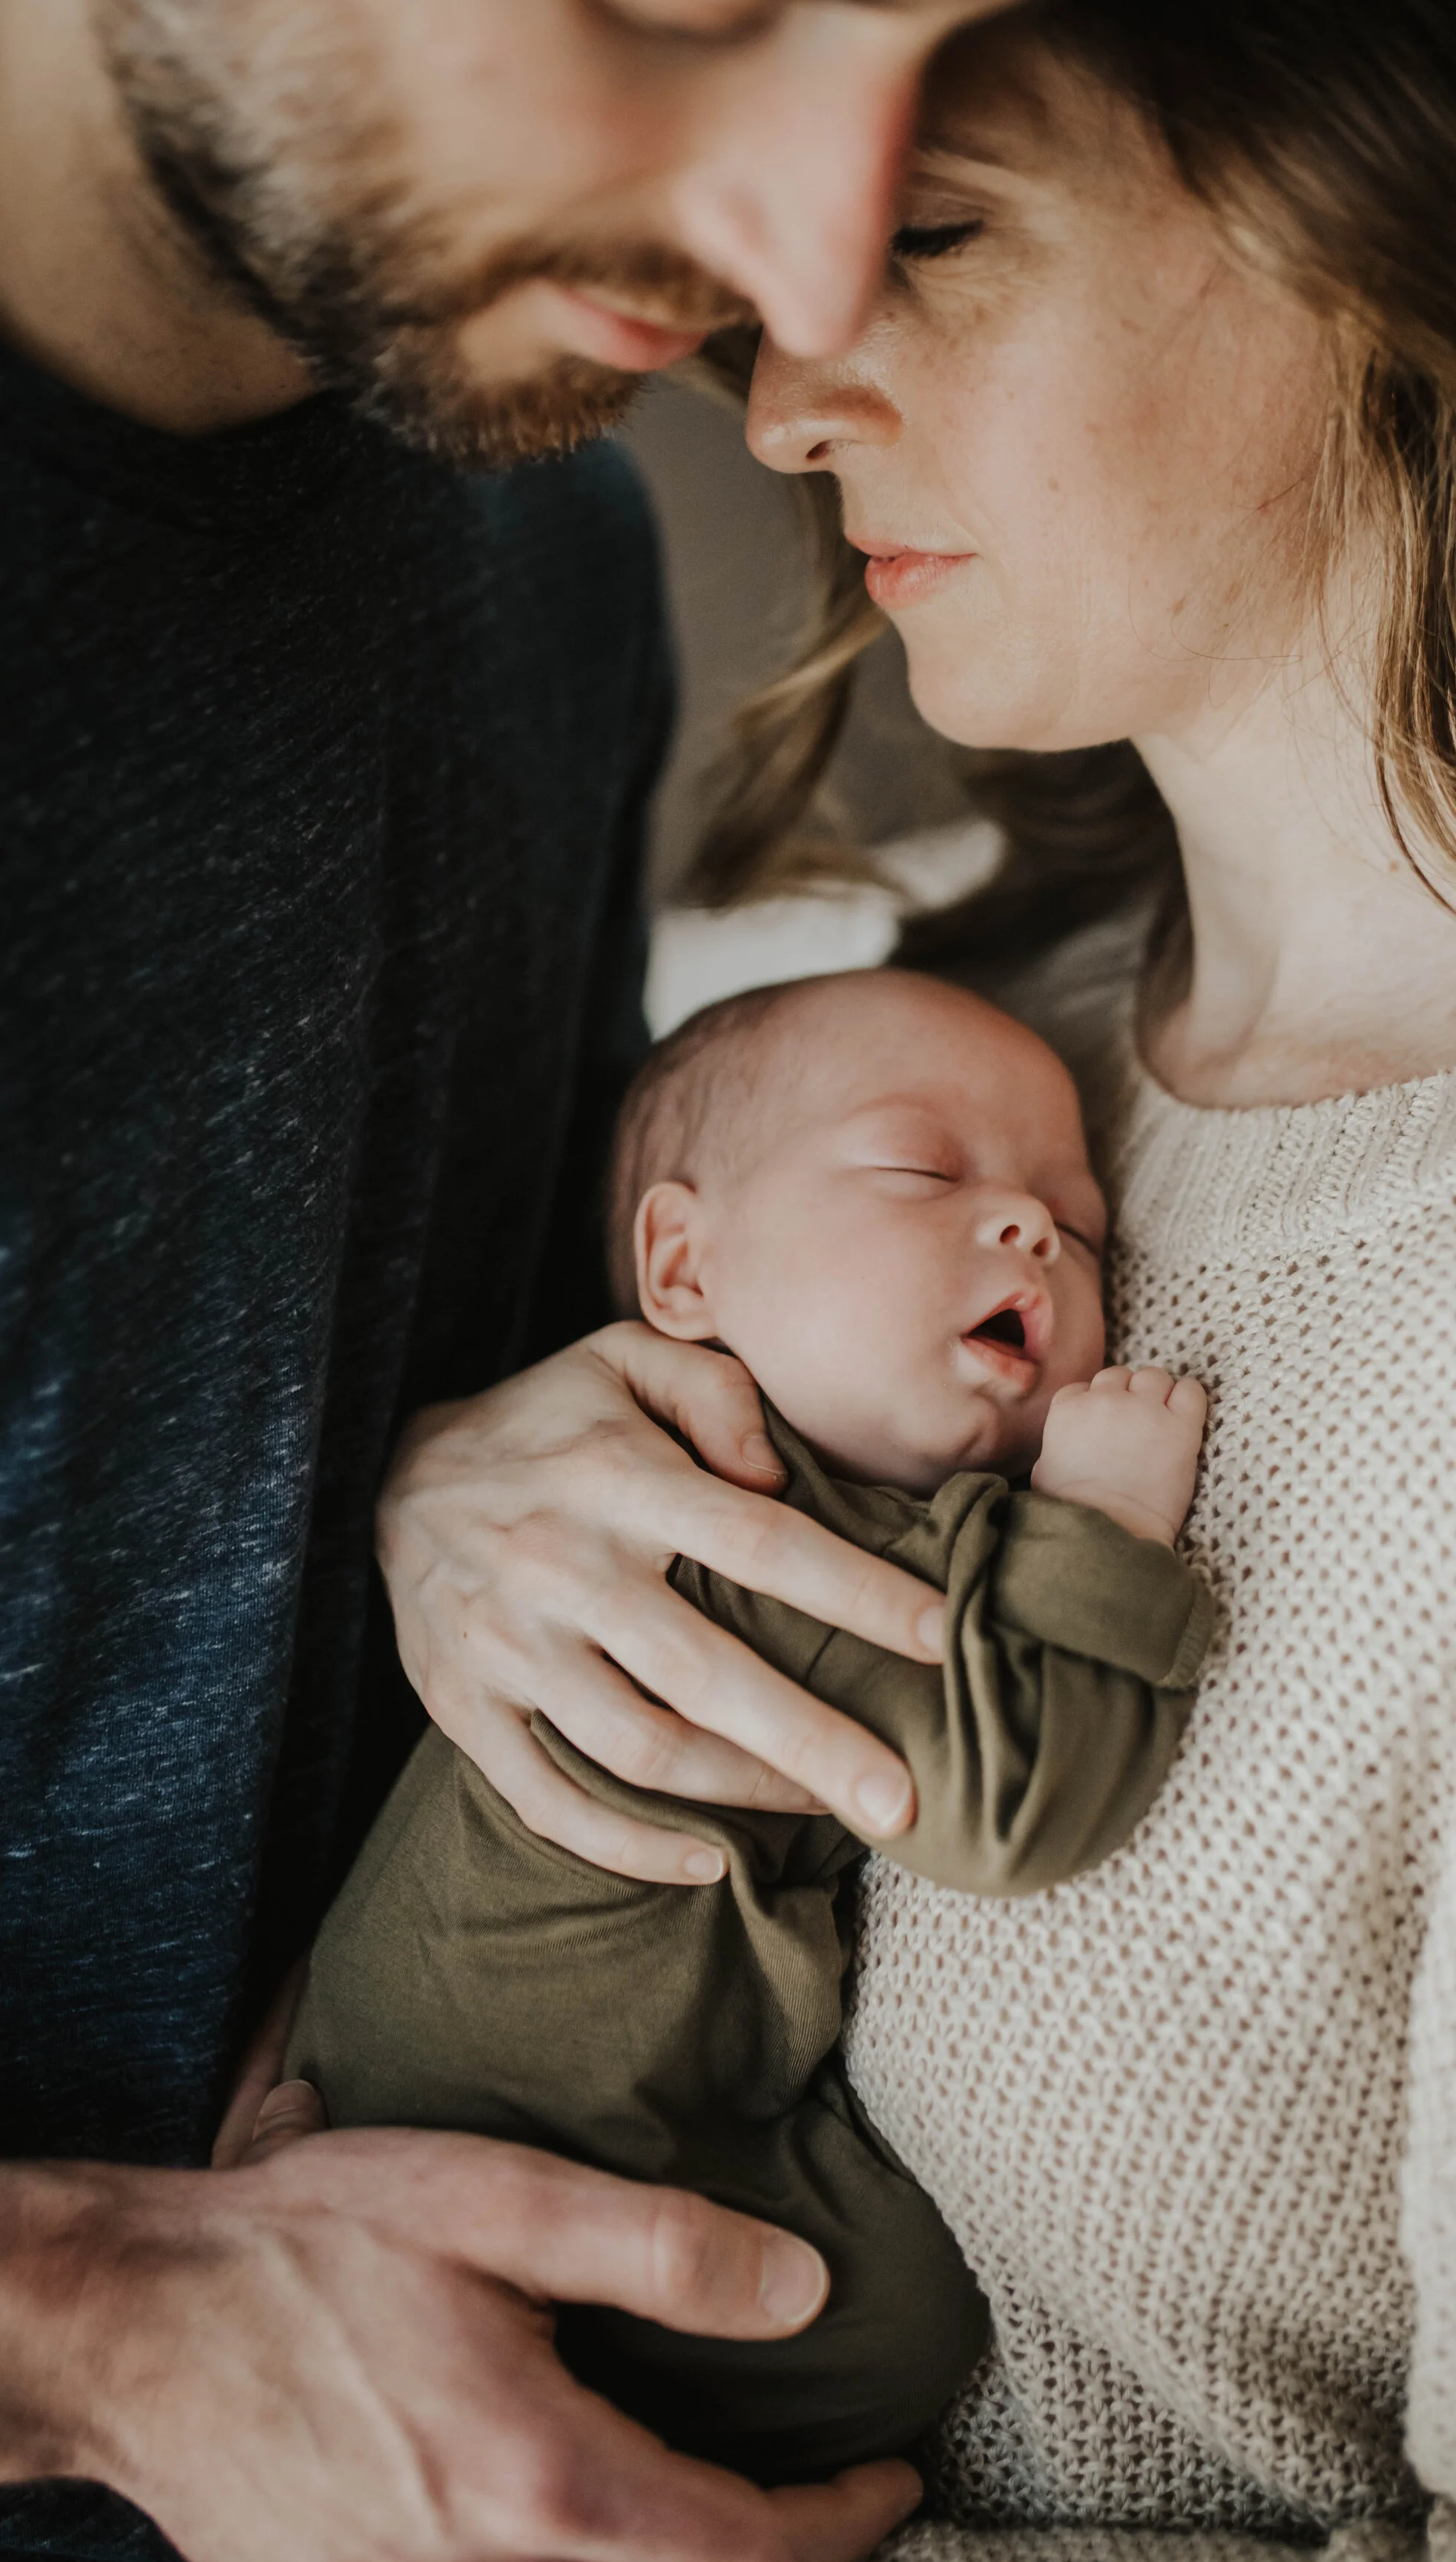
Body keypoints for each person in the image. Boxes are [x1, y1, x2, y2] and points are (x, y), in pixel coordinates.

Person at [408, 0, 1456, 2554]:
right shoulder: (964, 1059)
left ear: (1400, 213)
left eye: (933, 231)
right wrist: (460, 1517)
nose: (788, 387)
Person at [0, 0, 1195, 2560]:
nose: (800, 286)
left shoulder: (522, 556)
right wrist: (96, 2319)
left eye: (930, 55)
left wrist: (453, 1448)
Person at [286, 967, 1210, 2484]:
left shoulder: (712, 1491)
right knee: (907, 2316)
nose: (1031, 1225)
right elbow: (1013, 1810)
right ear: (682, 1268)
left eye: (1082, 1223)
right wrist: (1102, 1526)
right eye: (924, 1169)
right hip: (526, 2170)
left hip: (407, 2081)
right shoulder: (755, 1527)